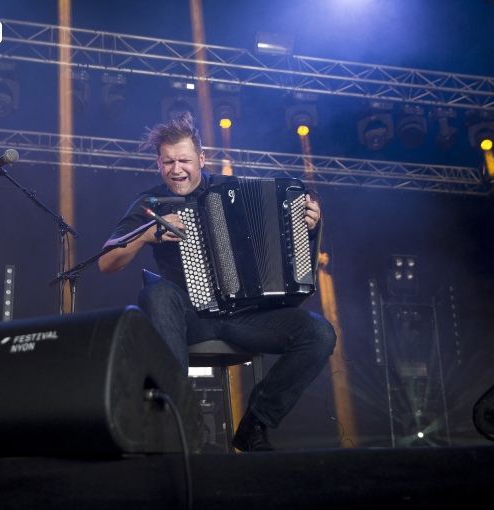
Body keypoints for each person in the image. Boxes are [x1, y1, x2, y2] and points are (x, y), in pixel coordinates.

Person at [98, 112, 337, 452]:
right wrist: (148, 233)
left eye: (184, 160)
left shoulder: (233, 189)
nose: (176, 169)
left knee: (320, 333)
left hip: (246, 318)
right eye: (168, 162)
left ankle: (255, 423)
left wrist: (307, 223)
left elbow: (281, 236)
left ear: (202, 159)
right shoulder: (150, 203)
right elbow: (107, 262)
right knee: (156, 293)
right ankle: (179, 421)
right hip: (189, 319)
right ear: (158, 164)